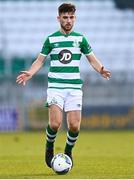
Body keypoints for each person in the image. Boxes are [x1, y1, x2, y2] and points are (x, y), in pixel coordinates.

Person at [16, 3, 111, 168]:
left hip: (74, 88)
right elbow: (40, 60)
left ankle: (68, 151)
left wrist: (101, 69)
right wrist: (30, 73)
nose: (68, 20)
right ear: (58, 18)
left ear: (75, 18)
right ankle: (49, 147)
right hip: (56, 87)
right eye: (65, 17)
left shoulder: (80, 39)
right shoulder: (51, 39)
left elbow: (92, 59)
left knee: (74, 126)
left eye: (71, 17)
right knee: (55, 123)